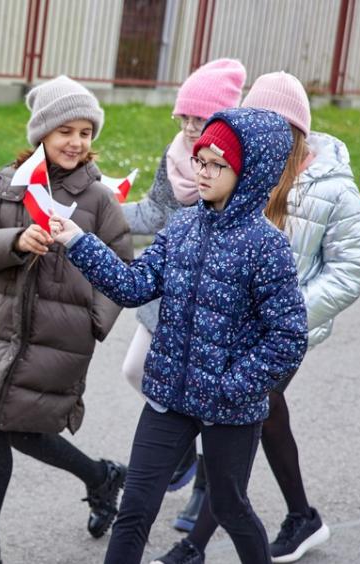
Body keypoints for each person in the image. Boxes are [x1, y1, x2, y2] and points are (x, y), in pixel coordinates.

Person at [50, 107, 309, 564]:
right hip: (168, 397)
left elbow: (287, 337)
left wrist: (232, 387)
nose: (203, 172)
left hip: (229, 408)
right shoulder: (183, 224)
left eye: (217, 165)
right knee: (134, 510)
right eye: (199, 160)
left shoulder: (267, 245)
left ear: (249, 172)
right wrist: (78, 241)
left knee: (230, 507)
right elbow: (134, 286)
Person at [155, 71, 360, 564]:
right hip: (232, 321)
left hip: (282, 330)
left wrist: (287, 314)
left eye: (270, 122)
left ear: (294, 131)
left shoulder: (332, 185)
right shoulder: (249, 167)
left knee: (244, 413)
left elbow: (352, 269)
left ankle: (194, 545)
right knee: (263, 419)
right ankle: (302, 516)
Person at [0, 75, 133, 564]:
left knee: (2, 420)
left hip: (61, 336)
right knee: (2, 419)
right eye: (65, 131)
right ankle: (100, 477)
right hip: (7, 330)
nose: (76, 142)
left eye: (85, 132)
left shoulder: (97, 198)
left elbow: (122, 263)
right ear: (42, 132)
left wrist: (94, 321)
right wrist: (16, 241)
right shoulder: (11, 184)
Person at [122, 58, 247, 524]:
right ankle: (184, 450)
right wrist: (97, 210)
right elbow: (154, 213)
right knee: (136, 369)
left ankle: (204, 489)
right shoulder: (176, 155)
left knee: (211, 399)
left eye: (201, 118)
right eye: (185, 117)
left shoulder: (238, 166)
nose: (191, 127)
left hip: (215, 302)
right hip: (168, 292)